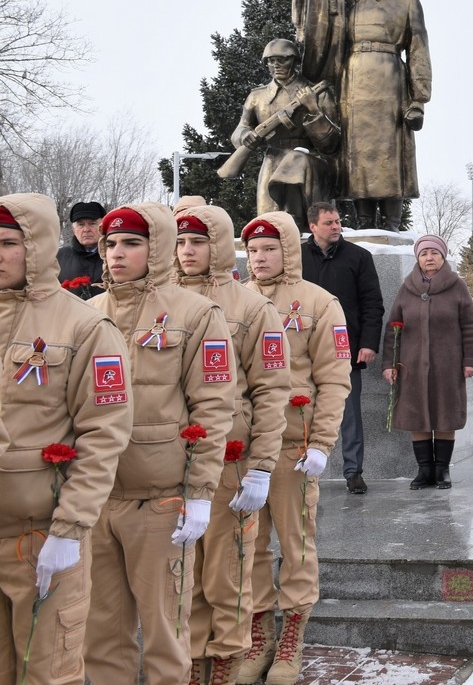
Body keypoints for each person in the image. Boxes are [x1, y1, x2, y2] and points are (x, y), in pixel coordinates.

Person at [83, 204, 235, 684]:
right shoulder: (89, 314)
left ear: (157, 248)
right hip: (96, 498)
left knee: (166, 634)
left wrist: (201, 492)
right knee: (100, 635)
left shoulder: (197, 314)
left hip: (160, 499)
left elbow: (213, 407)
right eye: (110, 243)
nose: (117, 253)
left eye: (132, 243)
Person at [0, 193, 133, 685]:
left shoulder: (84, 325)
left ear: (35, 247)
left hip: (41, 537)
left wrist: (69, 528)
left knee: (48, 673)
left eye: (8, 243)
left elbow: (104, 434)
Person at [174, 206, 292, 684]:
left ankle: (225, 667)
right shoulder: (161, 301)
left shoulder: (252, 307)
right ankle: (191, 669)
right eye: (180, 241)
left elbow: (271, 391)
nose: (187, 251)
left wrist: (261, 465)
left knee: (226, 575)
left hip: (230, 459)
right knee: (183, 580)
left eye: (198, 241)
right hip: (173, 463)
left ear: (220, 245)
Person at [238, 212, 352, 685]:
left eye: (268, 249)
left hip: (293, 445)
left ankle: (292, 638)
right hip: (244, 446)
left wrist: (321, 441)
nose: (259, 259)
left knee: (295, 543)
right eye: (252, 250)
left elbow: (334, 378)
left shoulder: (320, 303)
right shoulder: (235, 299)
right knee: (249, 547)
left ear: (286, 250)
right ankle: (260, 635)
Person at [340, 0, 432, 230]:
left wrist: (419, 100)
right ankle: (364, 220)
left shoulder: (406, 1)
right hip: (352, 84)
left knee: (390, 153)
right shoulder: (346, 2)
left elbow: (418, 50)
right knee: (357, 153)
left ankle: (392, 222)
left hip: (390, 82)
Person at [381, 235, 473, 490]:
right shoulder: (407, 287)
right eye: (424, 253)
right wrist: (389, 363)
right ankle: (424, 470)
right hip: (412, 365)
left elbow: (469, 325)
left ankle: (442, 470)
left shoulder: (457, 286)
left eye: (434, 253)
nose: (429, 258)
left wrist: (471, 359)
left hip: (448, 365)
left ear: (443, 257)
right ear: (418, 258)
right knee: (417, 415)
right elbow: (393, 328)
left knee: (445, 414)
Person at [300, 201, 384, 495]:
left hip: (345, 350)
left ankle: (353, 472)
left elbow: (372, 304)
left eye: (338, 221)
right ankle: (305, 472)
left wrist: (368, 343)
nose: (336, 227)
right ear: (313, 226)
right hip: (304, 351)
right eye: (329, 223)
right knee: (302, 414)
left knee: (349, 414)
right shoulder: (296, 257)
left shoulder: (359, 257)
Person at [229, 38, 340, 232]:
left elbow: (332, 143)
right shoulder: (257, 96)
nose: (276, 65)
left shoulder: (317, 92)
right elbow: (240, 129)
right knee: (268, 225)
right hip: (272, 160)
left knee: (296, 160)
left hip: (310, 161)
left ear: (295, 61)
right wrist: (245, 135)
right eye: (271, 61)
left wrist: (313, 109)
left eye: (283, 60)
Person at [56, 200, 106, 295]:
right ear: (73, 229)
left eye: (92, 223)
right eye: (81, 224)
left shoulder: (113, 256)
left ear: (102, 226)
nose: (86, 229)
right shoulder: (59, 257)